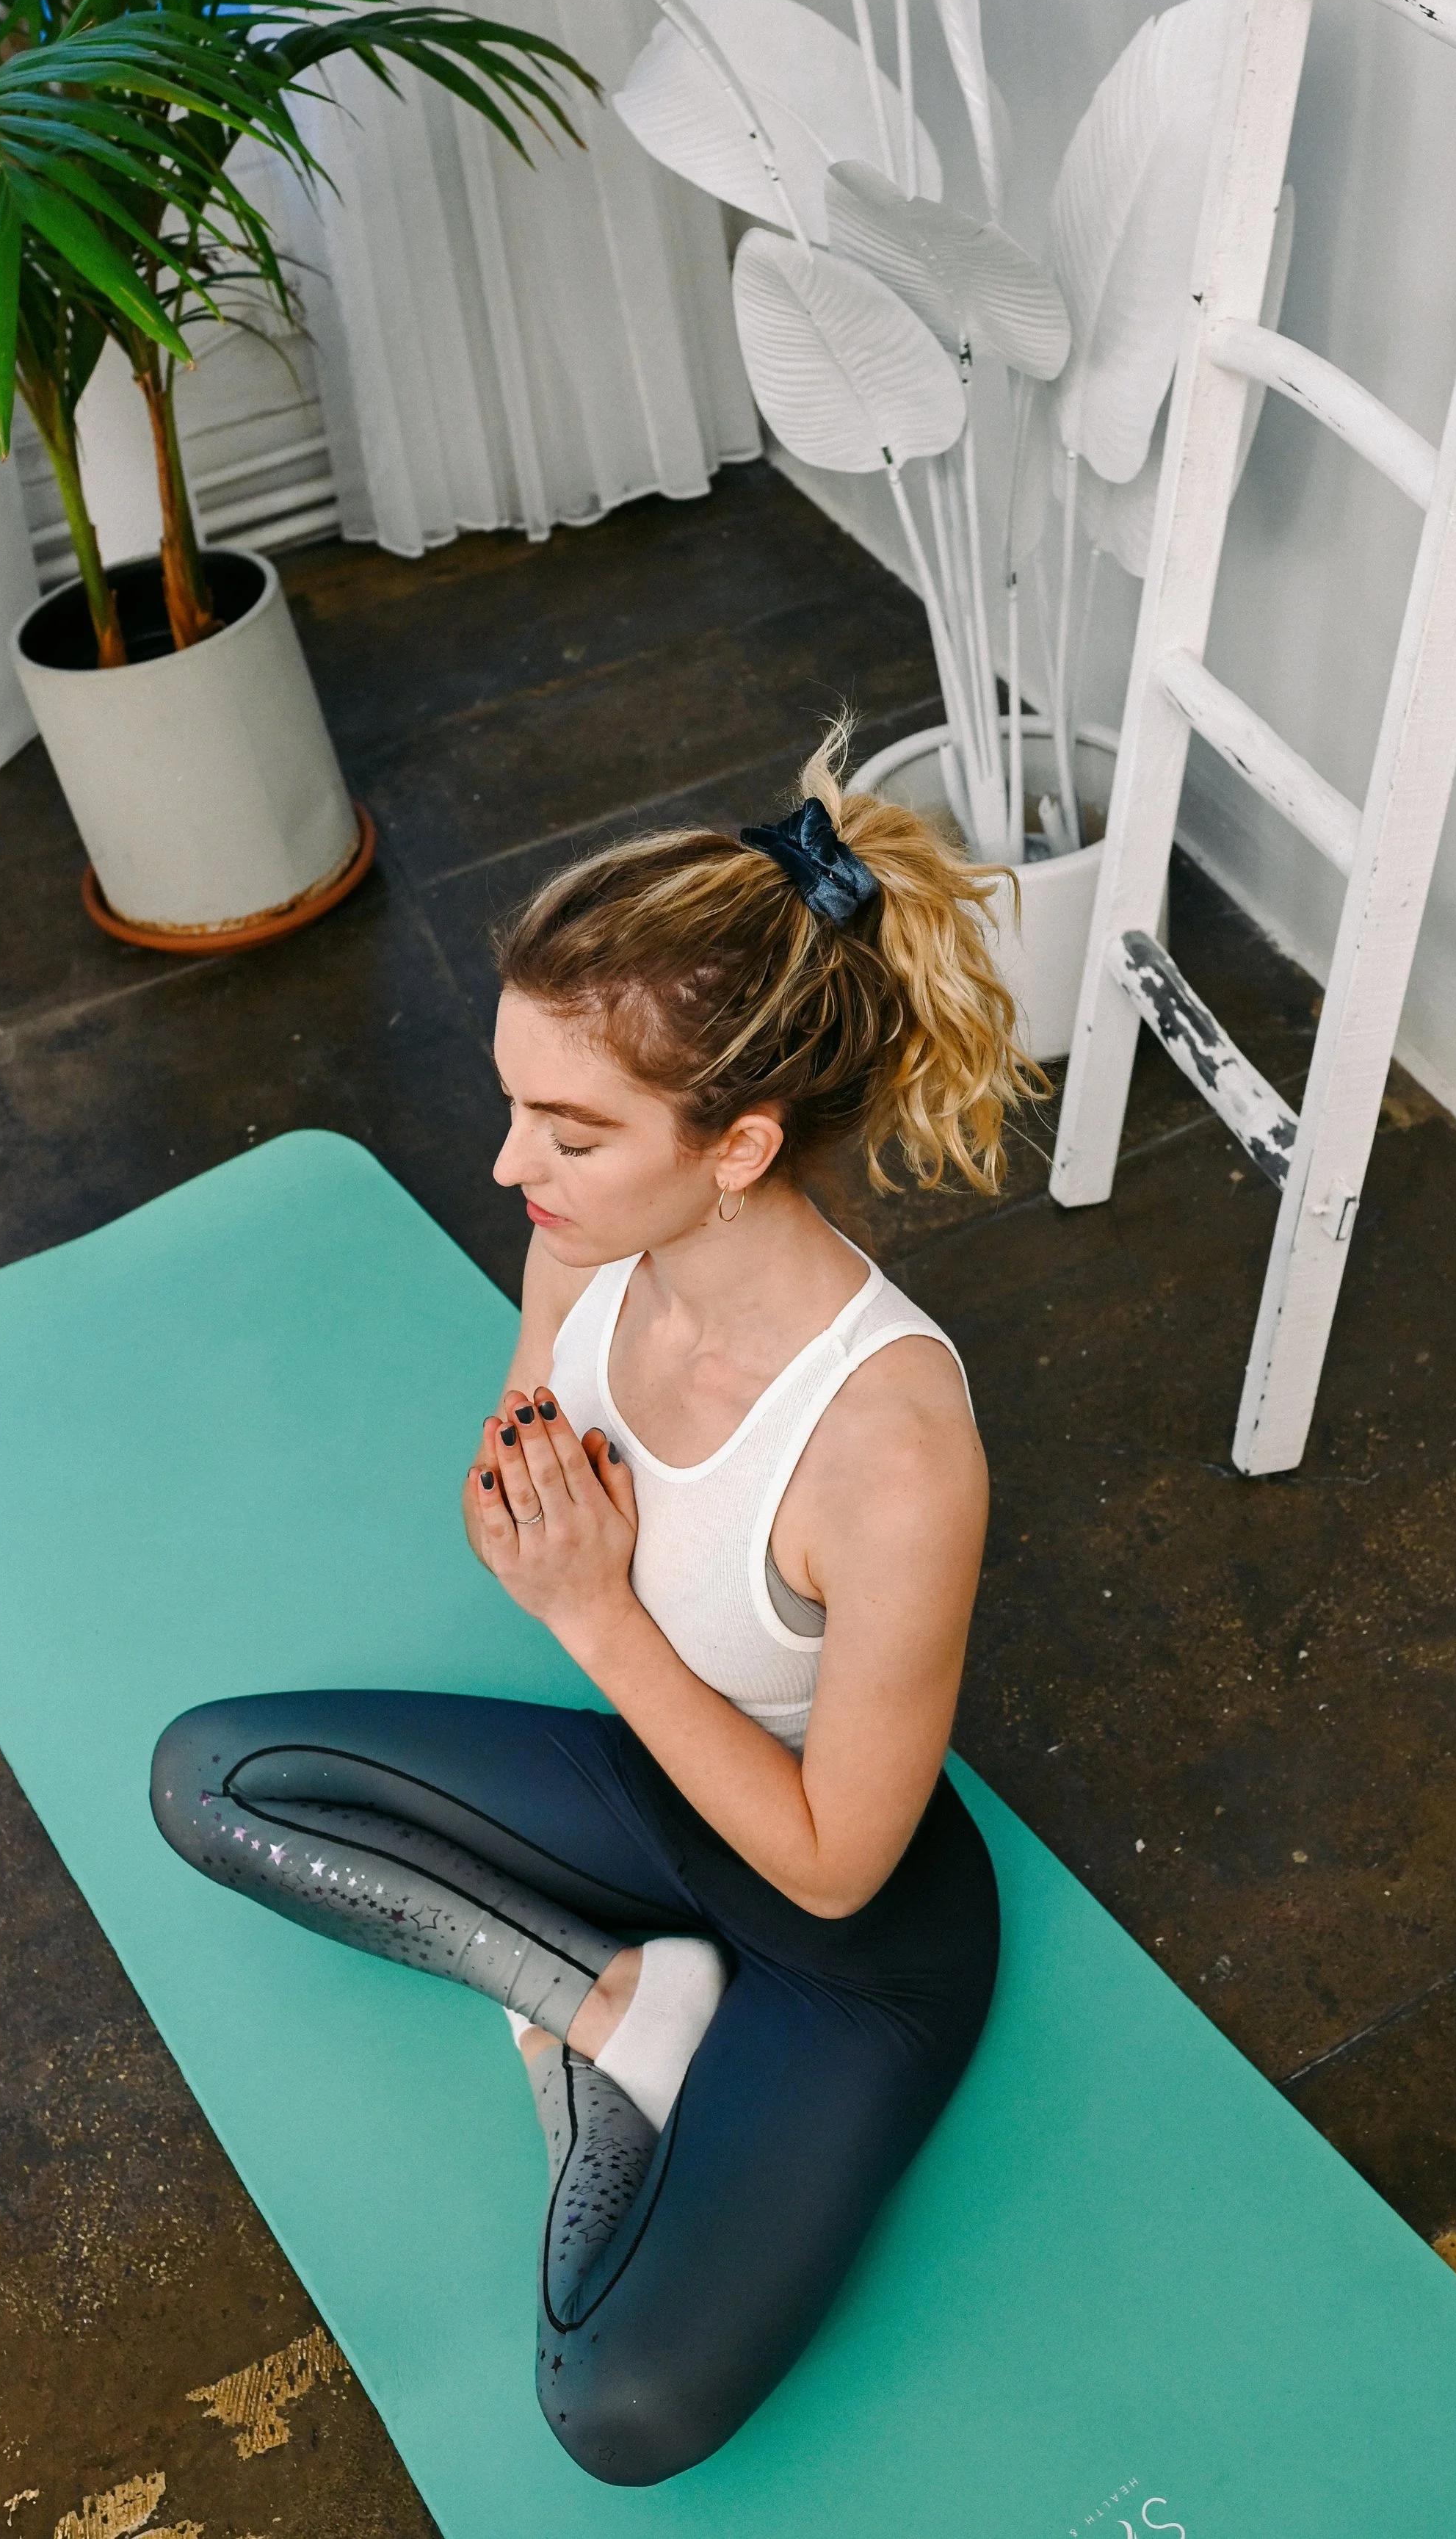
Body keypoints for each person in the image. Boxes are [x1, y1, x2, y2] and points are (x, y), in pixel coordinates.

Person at [151, 724, 1042, 2484]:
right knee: (205, 1780)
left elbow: (832, 1864)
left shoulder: (892, 1448)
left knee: (610, 2409)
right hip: (645, 1792)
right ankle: (620, 2006)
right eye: (510, 1104)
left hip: (846, 1936)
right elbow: (526, 1413)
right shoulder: (591, 1228)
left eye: (565, 1128)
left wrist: (590, 1613)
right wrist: (518, 1480)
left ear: (739, 1145)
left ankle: (634, 2001)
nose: (508, 1169)